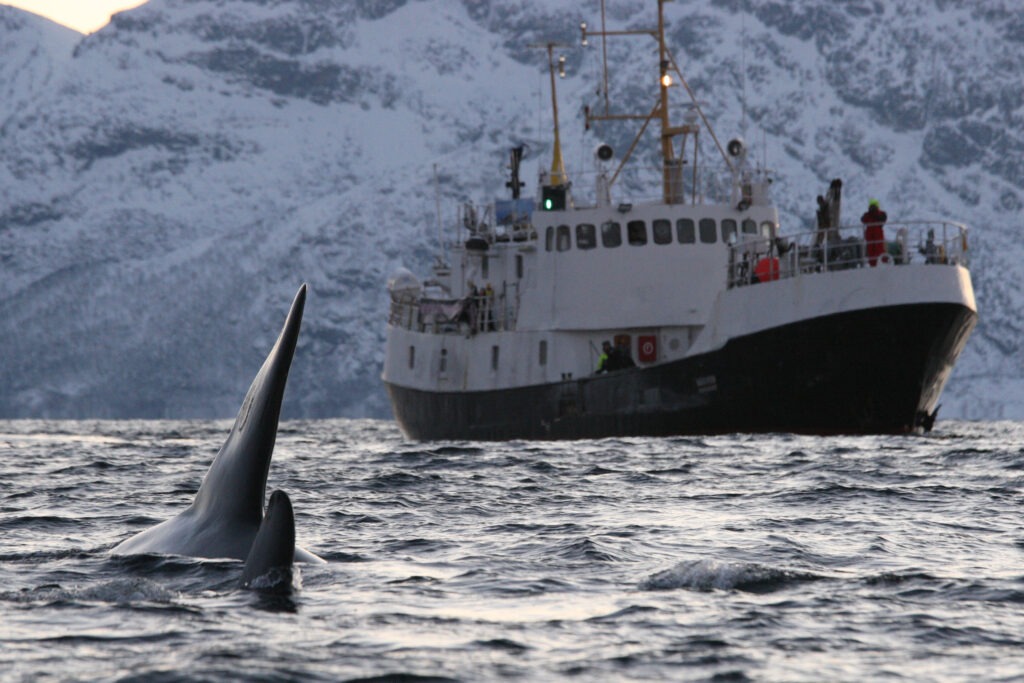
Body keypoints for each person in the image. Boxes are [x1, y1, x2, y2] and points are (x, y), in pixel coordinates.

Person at [861, 198, 887, 266]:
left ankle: (877, 264)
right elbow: (863, 219)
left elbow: (883, 219)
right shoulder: (869, 215)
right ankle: (876, 264)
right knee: (875, 250)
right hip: (873, 234)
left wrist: (873, 213)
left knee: (877, 250)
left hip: (874, 234)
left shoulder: (878, 214)